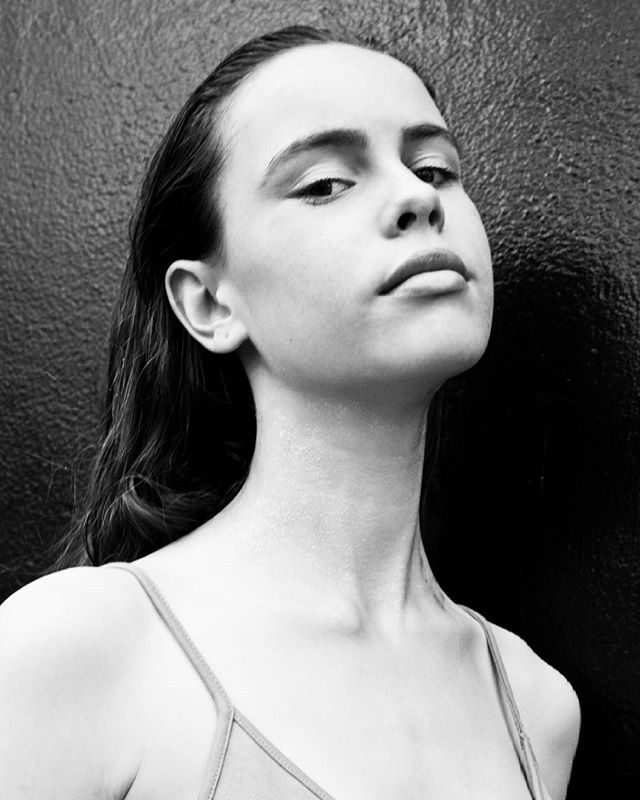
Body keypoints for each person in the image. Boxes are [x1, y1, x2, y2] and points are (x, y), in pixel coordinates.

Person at [0, 25, 580, 800]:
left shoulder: (538, 707)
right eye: (325, 184)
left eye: (435, 167)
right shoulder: (75, 654)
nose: (415, 197)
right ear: (208, 303)